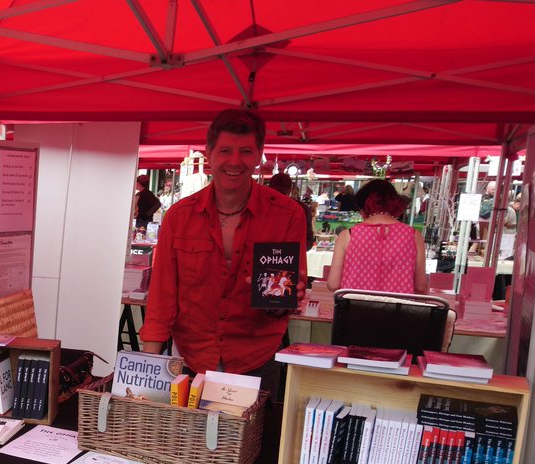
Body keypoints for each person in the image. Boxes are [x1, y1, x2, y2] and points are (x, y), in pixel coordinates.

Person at [139, 108, 307, 394]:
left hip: (256, 358)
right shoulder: (179, 217)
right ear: (209, 153)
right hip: (192, 358)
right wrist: (148, 365)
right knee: (189, 439)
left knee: (254, 439)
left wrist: (288, 297)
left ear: (259, 155)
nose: (235, 161)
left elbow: (280, 304)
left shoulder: (287, 215)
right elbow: (162, 296)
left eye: (245, 151)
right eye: (226, 150)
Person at [326, 179, 427, 295]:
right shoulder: (413, 235)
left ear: (363, 205)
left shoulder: (348, 235)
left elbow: (333, 284)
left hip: (354, 309)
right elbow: (421, 286)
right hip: (399, 310)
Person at [268, 172, 314, 254]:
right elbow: (308, 243)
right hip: (290, 260)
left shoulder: (258, 206)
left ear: (269, 187)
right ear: (291, 189)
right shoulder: (302, 209)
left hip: (261, 259)